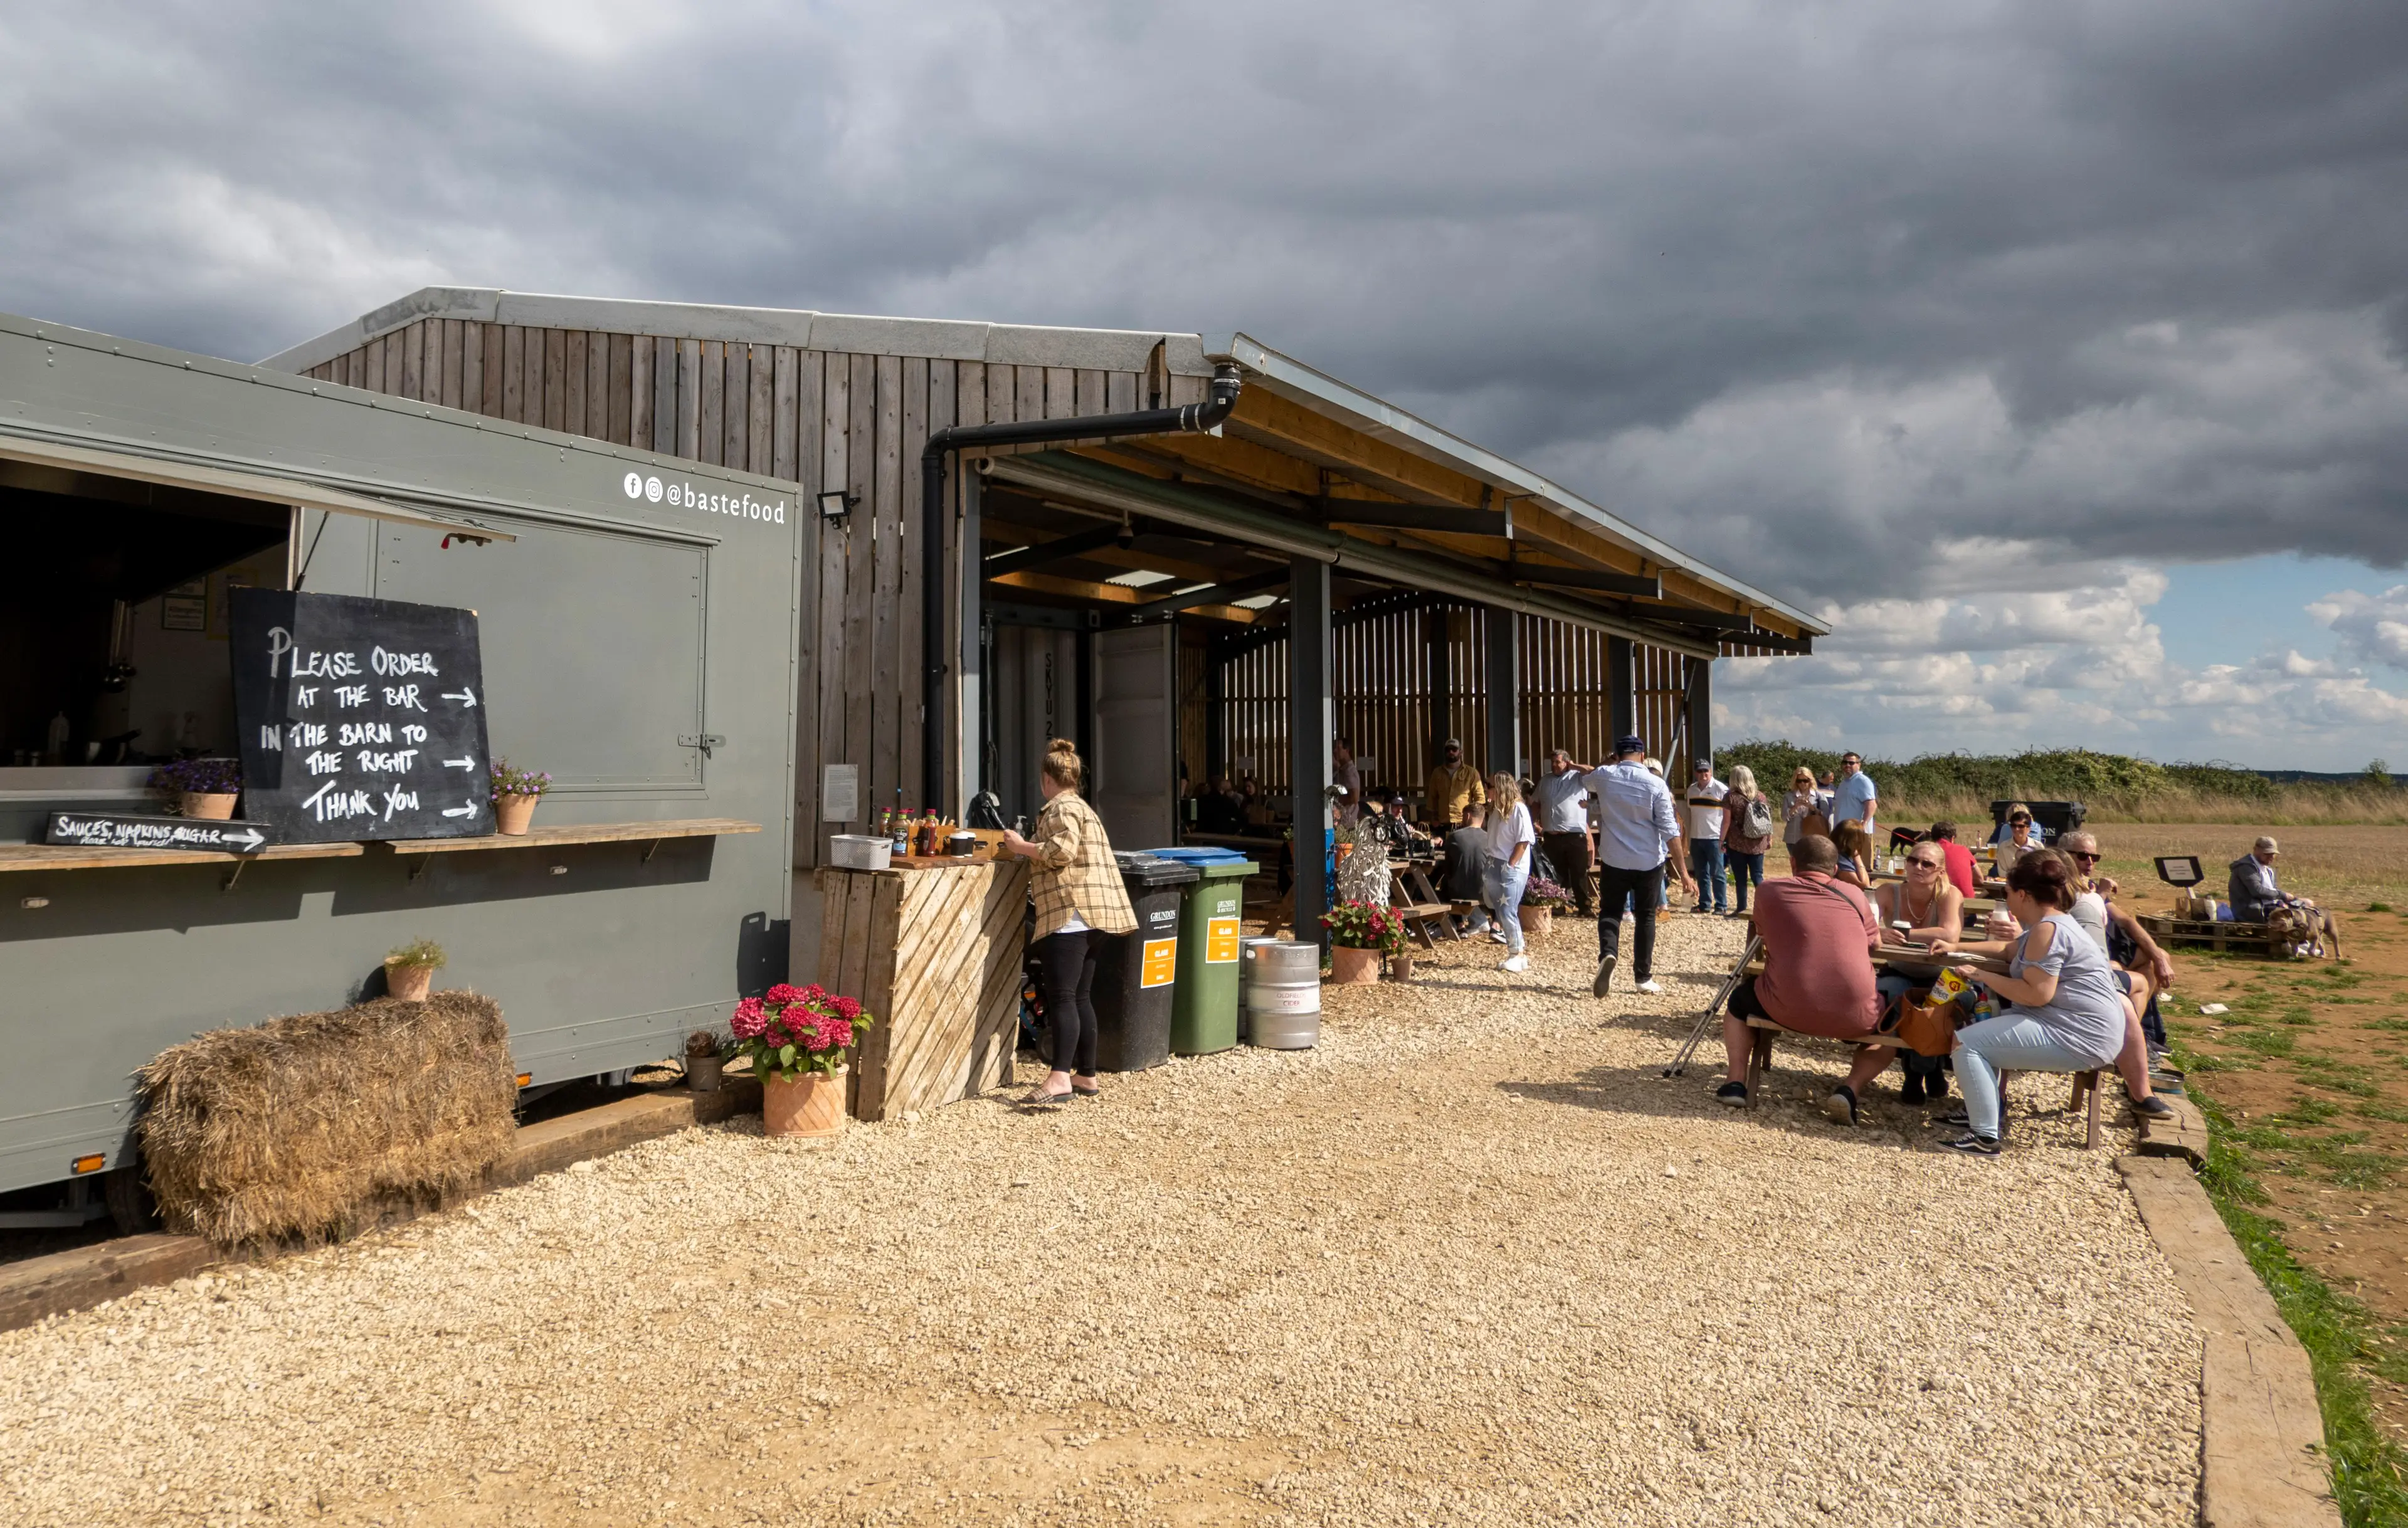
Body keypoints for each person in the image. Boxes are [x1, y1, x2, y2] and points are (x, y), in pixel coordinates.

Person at [1928, 850, 2175, 1156]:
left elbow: (2036, 995)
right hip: (2088, 1030)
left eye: (2007, 894)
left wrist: (1980, 974)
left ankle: (1984, 1137)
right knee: (1984, 1031)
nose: (2007, 900)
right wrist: (1955, 945)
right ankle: (1981, 1114)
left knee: (1966, 1044)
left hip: (2079, 1036)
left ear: (2023, 895)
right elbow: (2008, 949)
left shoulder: (2048, 929)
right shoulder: (2053, 922)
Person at [1717, 833, 1897, 1122]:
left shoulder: (1768, 890)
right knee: (1895, 1023)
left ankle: (1736, 1080)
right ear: (1836, 868)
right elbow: (1874, 944)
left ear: (1792, 862)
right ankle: (1850, 1089)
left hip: (1785, 1008)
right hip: (1855, 1017)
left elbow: (1762, 933)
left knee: (1739, 1000)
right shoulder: (1855, 895)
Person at [998, 739, 1138, 1108]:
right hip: (1097, 917)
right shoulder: (1083, 808)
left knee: (1062, 997)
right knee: (1079, 997)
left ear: (1048, 778)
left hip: (1070, 915)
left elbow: (1061, 852)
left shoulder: (1060, 808)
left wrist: (1020, 846)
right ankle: (1086, 1075)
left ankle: (1059, 1077)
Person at [1582, 735, 1679, 998]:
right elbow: (1670, 830)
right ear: (1643, 755)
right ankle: (1643, 977)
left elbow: (1586, 779)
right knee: (1646, 917)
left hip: (1615, 858)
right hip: (1648, 859)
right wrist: (1682, 870)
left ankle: (1609, 952)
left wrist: (1608, 762)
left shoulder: (1605, 775)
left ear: (1617, 753)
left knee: (1610, 912)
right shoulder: (1655, 783)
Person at [1872, 841, 1966, 1105]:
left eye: (1927, 864)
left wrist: (1901, 935)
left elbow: (1950, 933)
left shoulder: (1950, 894)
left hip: (1941, 973)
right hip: (1899, 969)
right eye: (1913, 860)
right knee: (1899, 999)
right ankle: (1928, 1069)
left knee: (1935, 1008)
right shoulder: (1888, 891)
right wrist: (1878, 932)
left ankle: (1917, 1074)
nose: (1918, 867)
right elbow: (1862, 920)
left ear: (1940, 871)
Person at [1469, 774, 1536, 974]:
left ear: (1499, 788)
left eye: (1488, 786)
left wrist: (1511, 865)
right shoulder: (1497, 811)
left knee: (1507, 911)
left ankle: (1516, 954)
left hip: (1512, 867)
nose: (1486, 789)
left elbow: (1524, 841)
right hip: (1495, 864)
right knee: (1498, 908)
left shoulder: (1518, 809)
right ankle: (1519, 951)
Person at [1533, 748, 1596, 917]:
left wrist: (1574, 766)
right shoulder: (1545, 780)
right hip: (1552, 836)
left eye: (1558, 762)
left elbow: (1593, 771)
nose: (1554, 765)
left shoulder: (1578, 777)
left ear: (1566, 762)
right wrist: (1532, 821)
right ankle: (1558, 905)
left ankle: (1585, 907)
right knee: (1554, 873)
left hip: (1574, 835)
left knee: (1579, 873)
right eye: (1552, 762)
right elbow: (1536, 802)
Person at [1720, 764, 1773, 915]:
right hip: (1758, 841)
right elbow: (1767, 820)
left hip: (1738, 843)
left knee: (1741, 878)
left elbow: (1726, 822)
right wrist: (1769, 838)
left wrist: (1721, 840)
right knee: (1758, 876)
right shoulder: (1761, 796)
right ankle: (1766, 909)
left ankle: (1741, 908)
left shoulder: (1730, 797)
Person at [1684, 759, 1731, 915]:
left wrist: (1724, 838)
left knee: (1718, 873)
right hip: (1696, 837)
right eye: (1700, 771)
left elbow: (1728, 816)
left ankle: (1721, 905)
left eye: (1706, 771)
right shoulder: (1691, 790)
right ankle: (1704, 904)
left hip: (1714, 837)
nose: (1703, 774)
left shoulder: (1721, 789)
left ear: (1711, 772)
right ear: (1696, 773)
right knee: (1701, 873)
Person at [1425, 738, 1484, 829]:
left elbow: (1480, 799)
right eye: (1448, 750)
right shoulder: (1437, 773)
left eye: (1454, 749)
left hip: (1464, 824)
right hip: (1443, 825)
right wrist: (1433, 819)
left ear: (1461, 752)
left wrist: (1474, 821)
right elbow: (1432, 798)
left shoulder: (1472, 773)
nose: (1451, 752)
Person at [2228, 836, 2289, 922]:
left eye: (2273, 854)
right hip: (2251, 911)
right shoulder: (2246, 867)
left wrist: (2282, 901)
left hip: (2267, 907)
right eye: (2267, 854)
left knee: (2306, 905)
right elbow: (2257, 891)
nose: (2271, 857)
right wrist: (2283, 895)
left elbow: (2273, 890)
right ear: (2255, 850)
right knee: (2292, 917)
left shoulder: (2268, 869)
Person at [1442, 801, 1487, 914]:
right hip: (1484, 892)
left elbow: (1447, 869)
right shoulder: (1490, 838)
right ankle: (1495, 924)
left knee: (1443, 885)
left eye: (1463, 817)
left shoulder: (1454, 836)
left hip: (1459, 893)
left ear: (1468, 816)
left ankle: (1459, 924)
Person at [1782, 766, 1829, 868]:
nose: (1803, 784)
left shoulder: (1819, 796)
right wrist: (1795, 807)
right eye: (1799, 781)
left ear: (1810, 781)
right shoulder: (1789, 796)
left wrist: (1812, 808)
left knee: (1812, 865)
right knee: (1796, 865)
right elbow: (1784, 817)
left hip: (1812, 836)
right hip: (1793, 837)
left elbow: (1826, 815)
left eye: (1805, 781)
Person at [1830, 751, 1879, 837]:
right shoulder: (1844, 783)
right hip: (1842, 830)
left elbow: (1871, 805)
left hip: (1857, 832)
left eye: (1851, 763)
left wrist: (1864, 824)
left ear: (1859, 765)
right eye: (1845, 762)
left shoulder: (1863, 781)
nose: (1847, 765)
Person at [1928, 821, 1978, 897]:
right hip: (1965, 900)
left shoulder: (1927, 852)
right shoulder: (1963, 850)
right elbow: (1980, 879)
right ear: (1953, 838)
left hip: (1937, 899)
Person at [1992, 803, 2044, 876]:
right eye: (2013, 826)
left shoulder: (2038, 847)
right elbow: (2002, 874)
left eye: (2021, 826)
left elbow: (2041, 872)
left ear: (2029, 829)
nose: (2017, 829)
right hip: (2010, 884)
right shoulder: (2003, 847)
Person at [1829, 819, 1877, 893]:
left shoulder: (1838, 854)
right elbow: (1864, 886)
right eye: (1856, 841)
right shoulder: (1840, 859)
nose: (1859, 844)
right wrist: (1857, 856)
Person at [1332, 737, 1362, 827]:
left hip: (1347, 824)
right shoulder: (1343, 770)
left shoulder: (1350, 772)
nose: (1335, 751)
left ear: (1347, 751)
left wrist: (1334, 801)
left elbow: (1354, 797)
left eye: (1338, 748)